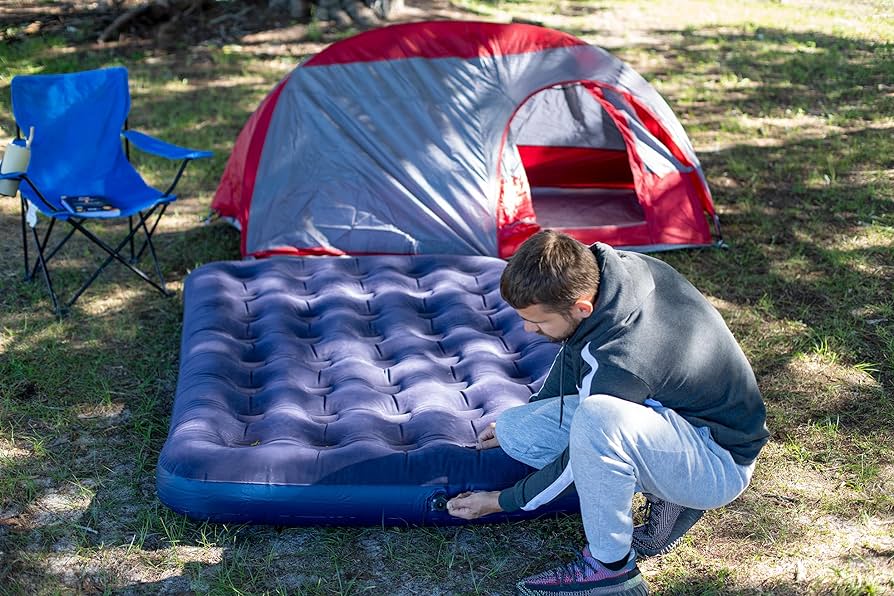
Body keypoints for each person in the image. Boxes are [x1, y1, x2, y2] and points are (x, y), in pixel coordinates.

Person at [446, 230, 770, 596]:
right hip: (669, 415)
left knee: (598, 419)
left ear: (581, 307)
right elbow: (575, 349)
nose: (528, 328)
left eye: (538, 321)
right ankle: (664, 487)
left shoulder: (622, 359)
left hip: (716, 460)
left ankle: (611, 569)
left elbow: (578, 456)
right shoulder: (611, 276)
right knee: (516, 431)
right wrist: (532, 414)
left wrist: (500, 501)